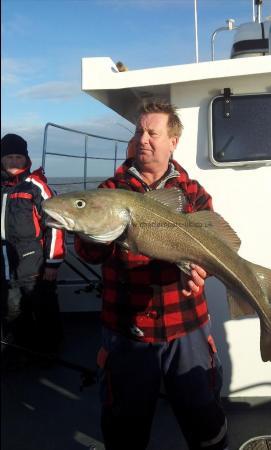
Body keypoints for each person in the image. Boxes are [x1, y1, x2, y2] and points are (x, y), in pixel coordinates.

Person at [75, 101, 228, 450]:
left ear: (172, 141)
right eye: (138, 131)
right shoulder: (110, 190)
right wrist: (87, 231)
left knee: (203, 417)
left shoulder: (192, 192)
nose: (143, 139)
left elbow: (212, 248)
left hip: (186, 327)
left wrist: (201, 272)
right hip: (128, 331)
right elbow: (89, 254)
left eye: (152, 133)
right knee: (125, 425)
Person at [1, 133, 66, 365]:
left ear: (26, 158)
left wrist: (52, 263)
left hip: (35, 266)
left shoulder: (36, 186)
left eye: (19, 156)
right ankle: (21, 352)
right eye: (9, 156)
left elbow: (56, 225)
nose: (14, 161)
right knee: (14, 312)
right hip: (7, 269)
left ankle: (49, 352)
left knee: (44, 310)